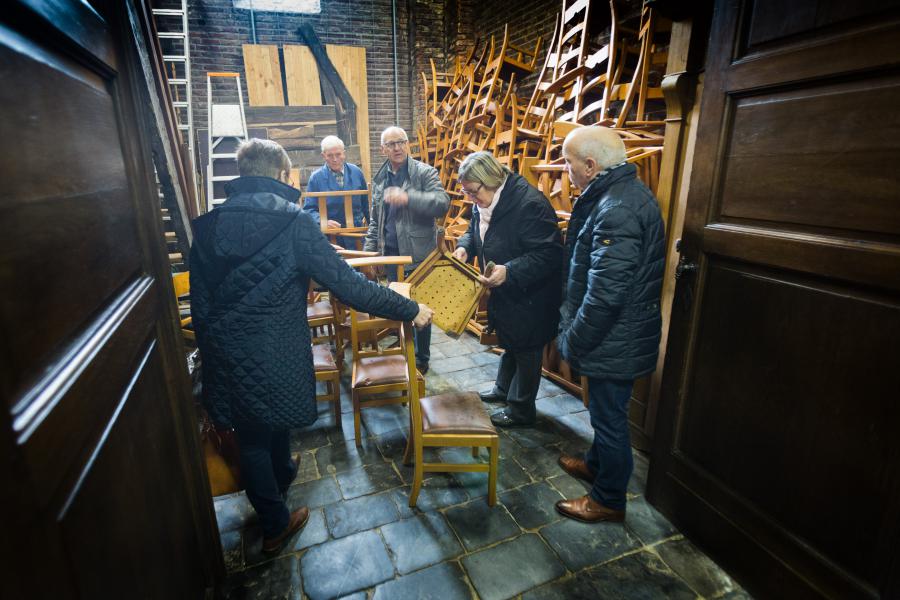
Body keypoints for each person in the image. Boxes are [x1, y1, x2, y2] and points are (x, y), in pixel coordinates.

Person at [190, 139, 433, 554]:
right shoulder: (293, 222)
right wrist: (407, 308)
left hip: (227, 346)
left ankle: (281, 474)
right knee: (254, 436)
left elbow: (200, 302)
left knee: (254, 423)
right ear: (282, 174)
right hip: (276, 345)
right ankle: (274, 525)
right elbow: (349, 285)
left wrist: (213, 346)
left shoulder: (209, 225)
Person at [554, 126, 665, 523]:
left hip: (614, 336)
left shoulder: (617, 207)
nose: (566, 170)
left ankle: (608, 499)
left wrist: (573, 339)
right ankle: (597, 465)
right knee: (604, 411)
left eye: (568, 162)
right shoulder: (617, 196)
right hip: (619, 334)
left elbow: (605, 294)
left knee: (610, 419)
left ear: (590, 164)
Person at [452, 152, 562, 428]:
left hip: (532, 294)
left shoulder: (530, 205)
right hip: (509, 291)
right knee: (511, 343)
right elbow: (474, 227)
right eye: (466, 192)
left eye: (473, 191)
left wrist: (510, 270)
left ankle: (521, 411)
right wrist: (465, 246)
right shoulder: (485, 198)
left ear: (491, 181)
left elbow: (550, 254)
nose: (470, 198)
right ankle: (503, 390)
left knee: (527, 350)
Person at [364, 126, 450, 373]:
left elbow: (442, 204)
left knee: (420, 307)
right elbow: (375, 220)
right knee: (400, 303)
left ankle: (421, 358)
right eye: (391, 144)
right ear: (383, 149)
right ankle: (405, 344)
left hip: (417, 255)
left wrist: (409, 198)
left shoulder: (424, 173)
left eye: (401, 142)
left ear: (408, 144)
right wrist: (370, 253)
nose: (397, 147)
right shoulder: (380, 179)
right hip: (391, 254)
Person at [303, 135, 369, 248]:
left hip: (357, 236)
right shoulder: (316, 178)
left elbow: (366, 206)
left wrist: (373, 234)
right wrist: (323, 221)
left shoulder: (357, 172)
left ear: (344, 153)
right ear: (323, 156)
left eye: (338, 154)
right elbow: (309, 210)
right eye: (330, 155)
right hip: (330, 239)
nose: (335, 159)